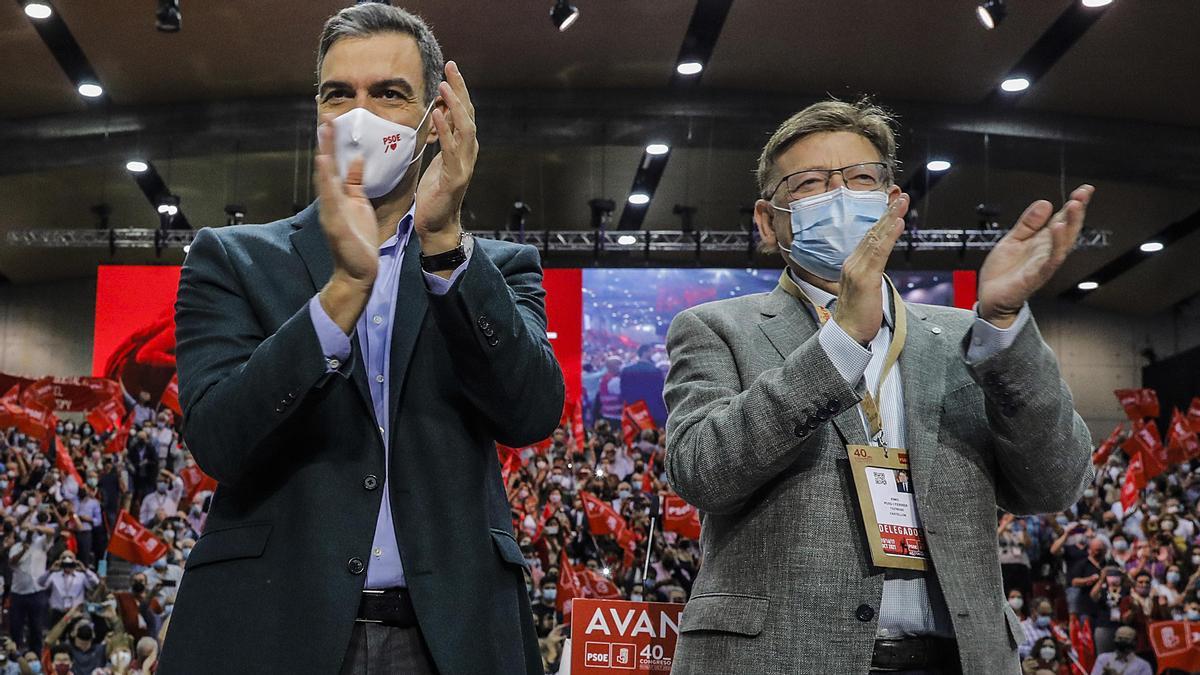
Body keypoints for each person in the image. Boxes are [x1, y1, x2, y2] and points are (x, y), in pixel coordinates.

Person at [162, 5, 564, 674]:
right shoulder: (230, 259)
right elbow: (217, 440)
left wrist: (443, 245)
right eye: (337, 93)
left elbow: (530, 411)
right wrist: (343, 292)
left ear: (436, 120)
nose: (358, 114)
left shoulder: (495, 266)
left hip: (451, 638)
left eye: (388, 93)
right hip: (271, 629)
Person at [663, 98, 1095, 674]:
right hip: (782, 657)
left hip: (959, 657)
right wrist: (839, 342)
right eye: (811, 184)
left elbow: (1054, 483)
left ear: (894, 203)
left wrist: (1002, 323)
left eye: (861, 179)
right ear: (769, 221)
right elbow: (701, 473)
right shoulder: (716, 328)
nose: (840, 198)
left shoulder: (968, 337)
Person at [619, 344, 667, 427]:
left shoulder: (626, 371)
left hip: (634, 410)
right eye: (652, 352)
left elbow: (624, 393)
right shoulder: (655, 371)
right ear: (645, 352)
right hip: (654, 411)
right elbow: (661, 392)